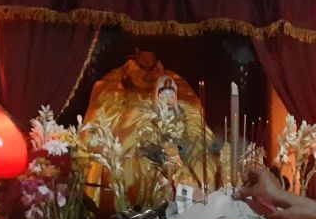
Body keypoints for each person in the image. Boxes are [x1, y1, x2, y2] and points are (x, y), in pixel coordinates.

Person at [82, 50, 217, 209]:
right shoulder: (117, 82)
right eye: (141, 65)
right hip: (137, 125)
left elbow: (191, 108)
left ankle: (194, 200)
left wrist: (173, 112)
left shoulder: (172, 80)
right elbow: (104, 110)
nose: (148, 73)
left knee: (196, 148)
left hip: (174, 125)